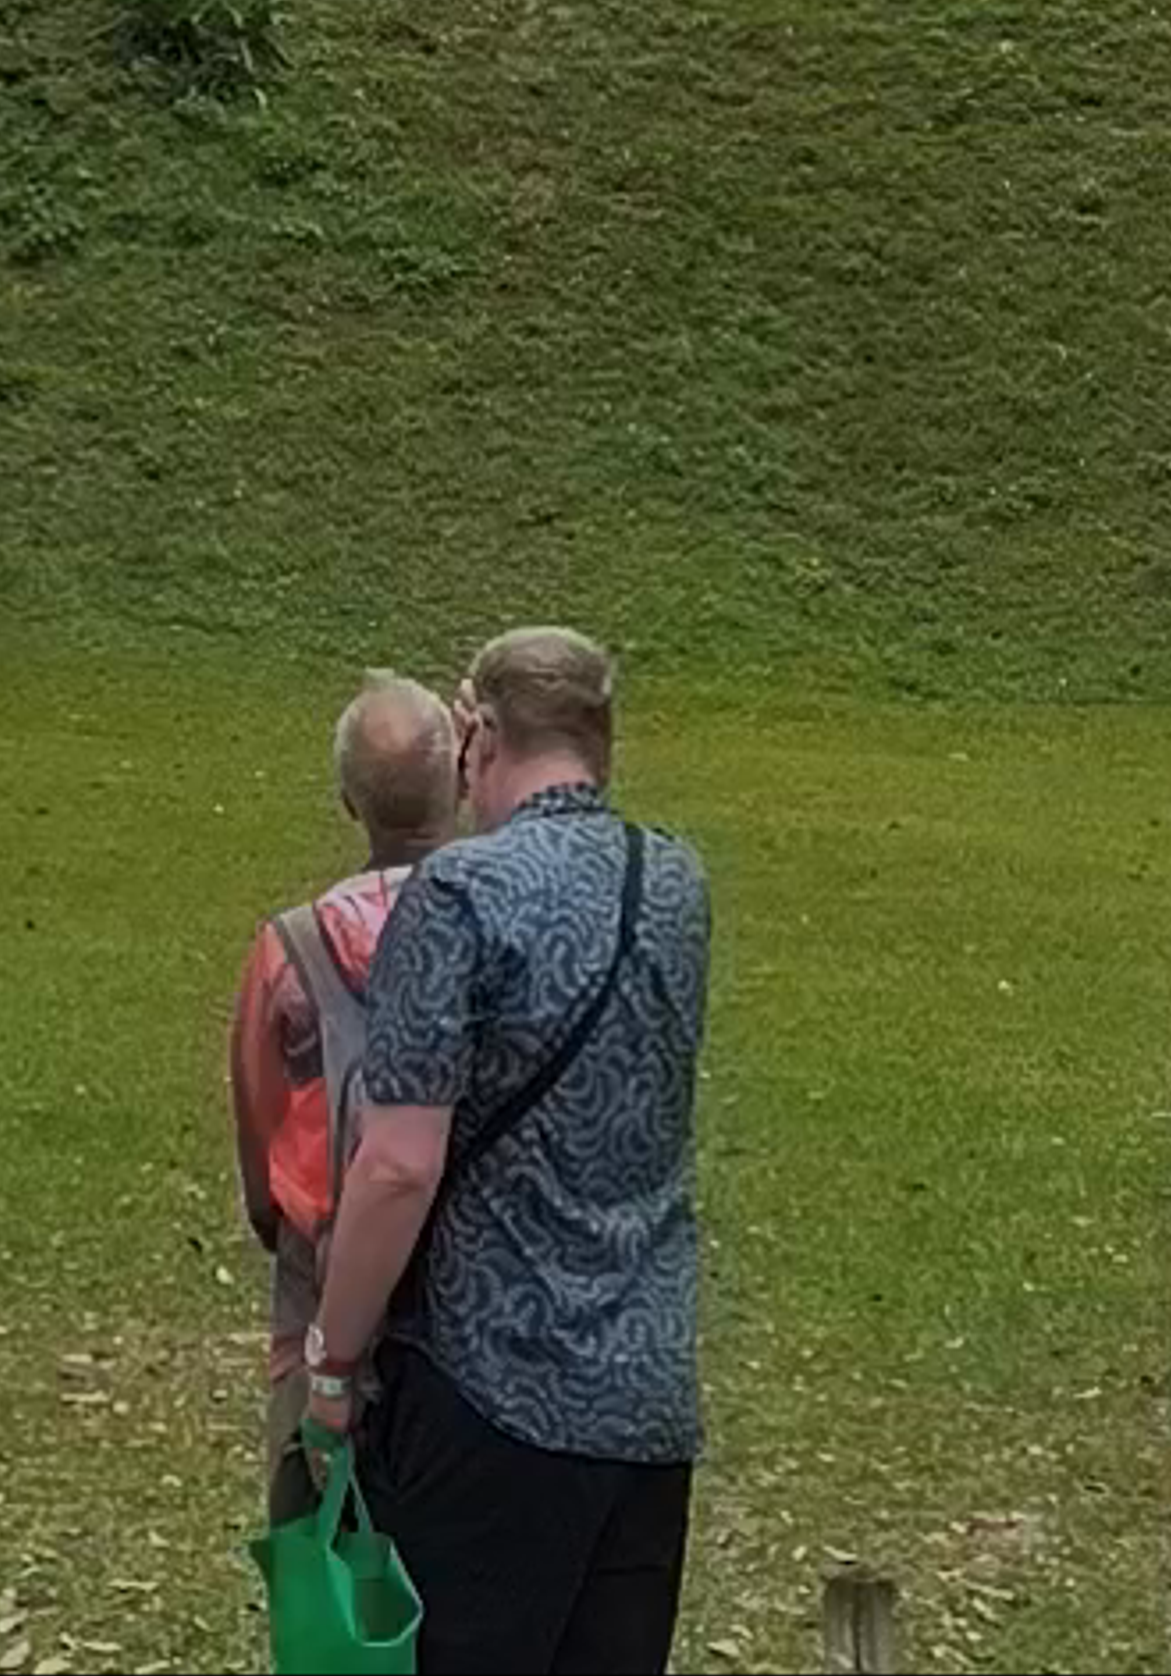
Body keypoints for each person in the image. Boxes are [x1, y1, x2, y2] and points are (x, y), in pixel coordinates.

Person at [303, 624, 711, 1676]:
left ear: (477, 735)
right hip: (648, 1391)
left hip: (492, 1393)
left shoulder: (457, 893)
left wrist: (333, 1363)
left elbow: (397, 1163)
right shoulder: (676, 881)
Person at [229, 677, 462, 1503]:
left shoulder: (290, 947)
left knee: (312, 1519)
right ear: (460, 785)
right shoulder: (496, 929)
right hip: (465, 1266)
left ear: (347, 802)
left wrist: (279, 1219)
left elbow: (258, 1117)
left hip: (321, 1262)